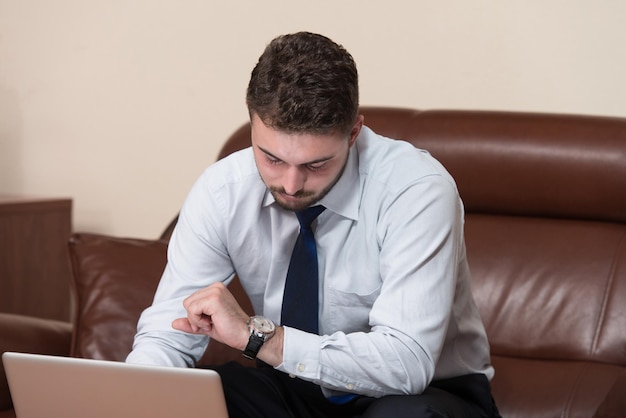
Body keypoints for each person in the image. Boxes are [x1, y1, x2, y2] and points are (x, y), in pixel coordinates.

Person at [127, 31, 500, 418]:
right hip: (291, 387)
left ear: (353, 133)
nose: (290, 185)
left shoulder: (416, 191)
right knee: (193, 399)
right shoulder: (223, 190)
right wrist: (133, 398)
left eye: (315, 165)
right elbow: (168, 333)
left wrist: (258, 338)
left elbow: (406, 365)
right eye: (271, 158)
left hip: (423, 396)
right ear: (252, 123)